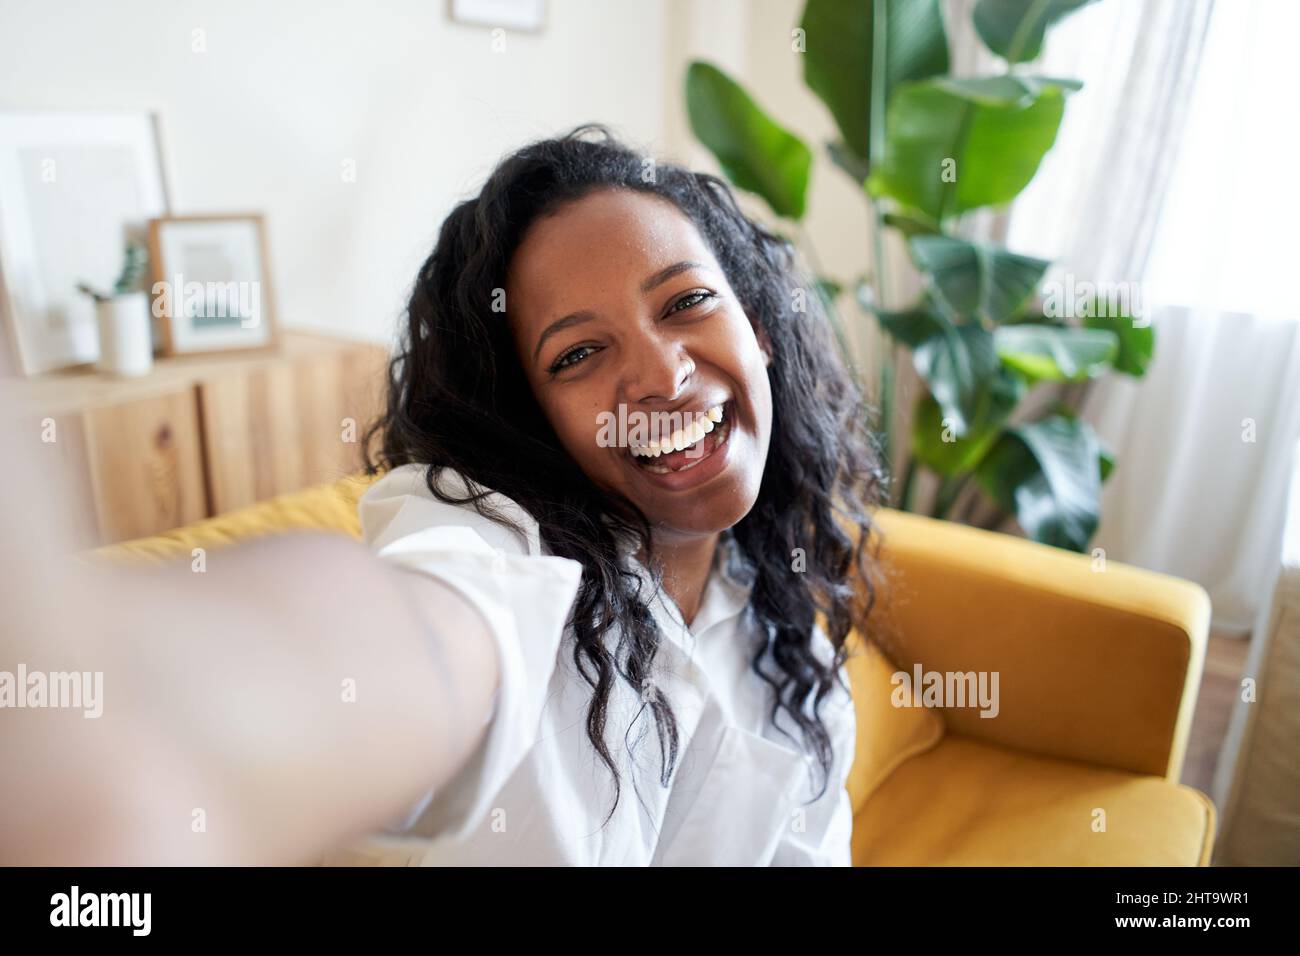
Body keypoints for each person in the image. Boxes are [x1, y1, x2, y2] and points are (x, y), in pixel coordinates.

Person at [0, 125, 882, 867]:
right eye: (578, 355)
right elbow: (418, 633)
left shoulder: (790, 647)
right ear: (528, 415)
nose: (660, 374)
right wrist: (132, 724)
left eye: (686, 301)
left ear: (759, 329)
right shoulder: (494, 543)